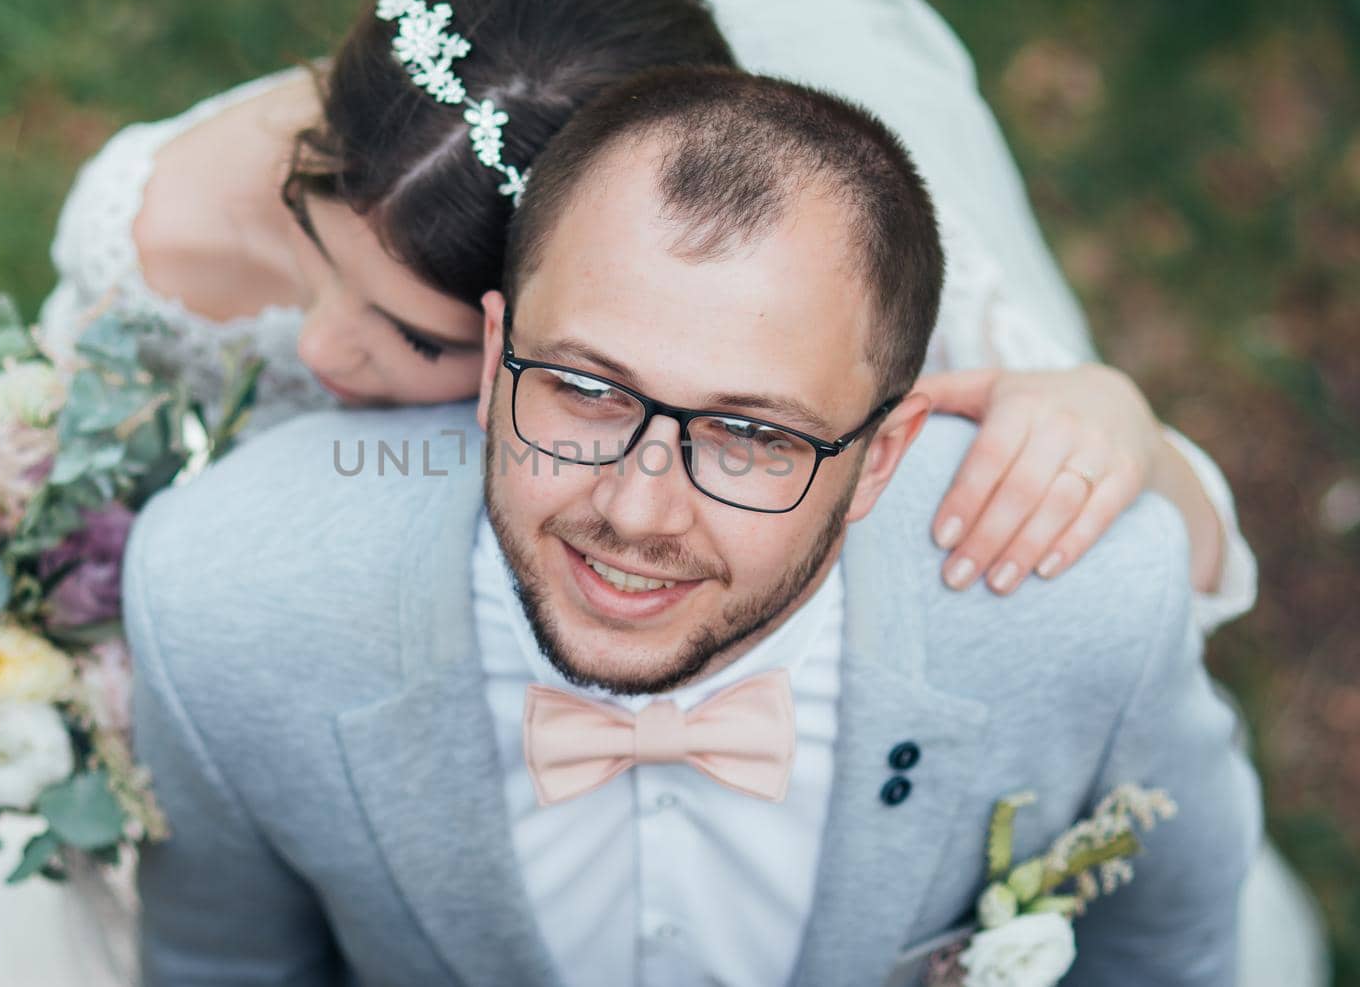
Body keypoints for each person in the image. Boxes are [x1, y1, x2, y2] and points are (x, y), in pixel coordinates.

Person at [0, 0, 1324, 984]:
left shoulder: (838, 344)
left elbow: (1132, 643)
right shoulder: (230, 534)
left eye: (746, 432)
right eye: (585, 385)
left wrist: (1119, 430)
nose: (328, 354)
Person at [126, 64, 1261, 986]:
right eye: (583, 388)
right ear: (491, 360)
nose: (633, 508)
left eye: (752, 436)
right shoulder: (220, 599)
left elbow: (1167, 957)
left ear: (882, 454)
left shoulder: (1086, 611)